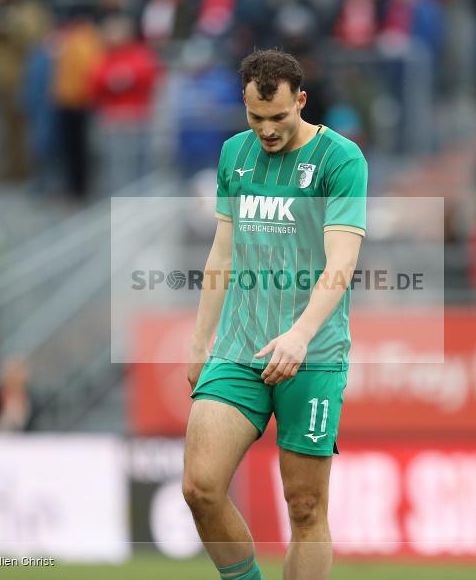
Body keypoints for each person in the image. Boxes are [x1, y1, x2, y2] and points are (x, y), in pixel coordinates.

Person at [182, 49, 367, 580]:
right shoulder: (233, 155)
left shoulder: (341, 159)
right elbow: (222, 251)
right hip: (239, 349)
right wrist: (200, 341)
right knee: (200, 487)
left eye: (279, 117)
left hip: (312, 354)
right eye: (255, 117)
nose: (266, 129)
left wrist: (300, 335)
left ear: (301, 101)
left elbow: (343, 260)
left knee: (305, 508)